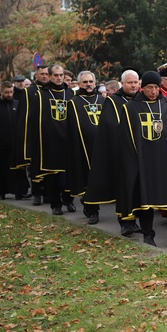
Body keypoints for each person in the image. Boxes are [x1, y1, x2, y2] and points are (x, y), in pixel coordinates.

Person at [118, 71, 167, 248]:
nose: (153, 91)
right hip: (143, 160)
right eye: (149, 87)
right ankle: (148, 234)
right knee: (146, 199)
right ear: (141, 88)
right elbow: (126, 137)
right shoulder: (130, 108)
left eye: (156, 87)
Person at [84, 69, 141, 235]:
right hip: (122, 151)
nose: (133, 85)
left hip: (140, 151)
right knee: (124, 187)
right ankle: (125, 222)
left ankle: (137, 219)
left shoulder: (140, 99)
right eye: (130, 83)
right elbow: (110, 126)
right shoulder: (113, 101)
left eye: (136, 82)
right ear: (122, 84)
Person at [26, 65, 75, 215]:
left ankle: (68, 200)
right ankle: (56, 204)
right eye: (56, 75)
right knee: (52, 175)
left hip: (68, 140)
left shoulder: (70, 93)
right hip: (50, 141)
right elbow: (35, 120)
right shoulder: (41, 95)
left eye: (61, 75)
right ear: (50, 76)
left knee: (69, 174)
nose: (59, 78)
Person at [66, 71, 103, 223]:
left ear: (95, 83)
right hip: (83, 147)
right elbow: (71, 128)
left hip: (101, 146)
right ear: (79, 84)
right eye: (85, 82)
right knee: (88, 179)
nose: (88, 84)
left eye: (90, 82)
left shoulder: (102, 99)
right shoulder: (74, 102)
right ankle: (92, 211)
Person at [0, 81, 27, 200]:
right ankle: (1, 192)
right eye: (6, 92)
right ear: (0, 92)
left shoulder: (17, 104)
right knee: (1, 169)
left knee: (17, 169)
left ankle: (20, 191)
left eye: (11, 92)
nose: (9, 94)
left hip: (15, 143)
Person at [12, 64, 49, 206]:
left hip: (49, 135)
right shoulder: (29, 92)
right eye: (42, 74)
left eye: (46, 73)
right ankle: (37, 194)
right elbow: (24, 115)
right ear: (36, 75)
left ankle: (48, 194)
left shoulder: (52, 90)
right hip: (34, 135)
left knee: (49, 167)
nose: (44, 76)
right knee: (35, 167)